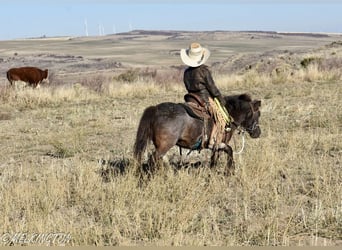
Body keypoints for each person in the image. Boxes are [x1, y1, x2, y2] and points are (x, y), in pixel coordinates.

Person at [180, 42, 232, 149]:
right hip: (204, 100)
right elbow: (212, 88)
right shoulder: (204, 71)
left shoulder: (186, 72)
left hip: (191, 99)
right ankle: (213, 141)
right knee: (221, 118)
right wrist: (221, 100)